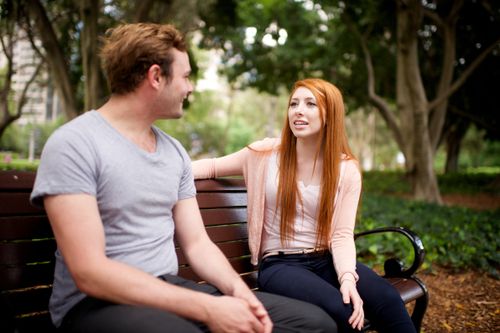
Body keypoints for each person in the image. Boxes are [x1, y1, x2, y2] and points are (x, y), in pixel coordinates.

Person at [30, 23, 337, 333]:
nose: (190, 88)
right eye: (186, 76)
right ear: (155, 77)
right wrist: (208, 308)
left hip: (169, 288)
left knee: (315, 325)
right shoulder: (75, 144)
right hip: (95, 304)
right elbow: (90, 272)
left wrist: (240, 294)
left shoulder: (172, 151)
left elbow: (198, 244)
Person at [192, 78, 417, 333]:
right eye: (294, 103)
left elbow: (342, 234)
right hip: (280, 265)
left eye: (310, 104)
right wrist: (163, 170)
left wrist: (347, 279)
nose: (298, 110)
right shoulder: (264, 154)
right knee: (343, 311)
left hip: (326, 259)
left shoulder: (346, 169)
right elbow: (210, 166)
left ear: (330, 115)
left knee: (388, 299)